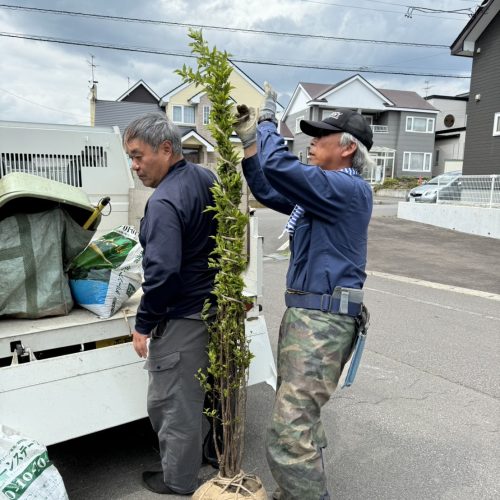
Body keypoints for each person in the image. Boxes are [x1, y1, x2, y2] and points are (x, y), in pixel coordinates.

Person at [233, 87, 374, 500]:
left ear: (347, 149)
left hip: (322, 321)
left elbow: (279, 165)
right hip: (310, 318)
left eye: (319, 137)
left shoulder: (345, 190)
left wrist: (266, 123)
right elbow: (266, 183)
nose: (311, 142)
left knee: (289, 431)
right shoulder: (321, 196)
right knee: (300, 420)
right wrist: (249, 143)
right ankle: (298, 492)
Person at [123, 113, 218, 496]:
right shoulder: (204, 179)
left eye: (138, 156)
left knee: (173, 403)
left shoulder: (163, 201)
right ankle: (211, 454)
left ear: (165, 149)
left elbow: (162, 274)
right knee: (202, 395)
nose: (134, 166)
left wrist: (143, 324)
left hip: (182, 317)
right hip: (211, 307)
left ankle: (178, 481)